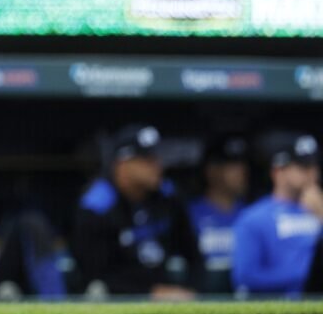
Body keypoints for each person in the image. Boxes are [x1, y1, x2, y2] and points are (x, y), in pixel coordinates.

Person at [72, 124, 201, 299]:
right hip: (114, 296)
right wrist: (150, 292)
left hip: (162, 287)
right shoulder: (98, 204)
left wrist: (190, 288)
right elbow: (93, 273)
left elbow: (194, 255)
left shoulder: (168, 196)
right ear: (122, 164)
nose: (158, 166)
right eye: (147, 160)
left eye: (157, 158)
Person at [232, 134, 323, 296]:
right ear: (278, 172)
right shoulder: (254, 218)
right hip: (282, 308)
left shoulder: (319, 209)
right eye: (302, 167)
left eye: (314, 166)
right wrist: (305, 275)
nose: (311, 173)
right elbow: (245, 277)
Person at [188, 135, 250, 293]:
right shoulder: (189, 215)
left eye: (242, 164)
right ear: (212, 170)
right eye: (232, 165)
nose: (241, 171)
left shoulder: (252, 215)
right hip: (203, 294)